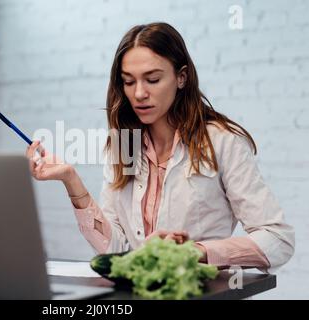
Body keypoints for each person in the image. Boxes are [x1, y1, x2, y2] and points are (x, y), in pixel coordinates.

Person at [26, 22, 294, 272]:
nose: (139, 93)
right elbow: (117, 251)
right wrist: (71, 181)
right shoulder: (124, 145)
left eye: (152, 79)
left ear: (181, 77)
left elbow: (278, 239)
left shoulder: (222, 142)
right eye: (128, 82)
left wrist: (194, 252)